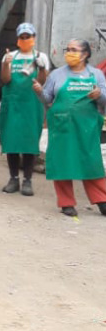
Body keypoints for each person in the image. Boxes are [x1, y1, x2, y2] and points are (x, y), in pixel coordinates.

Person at [34, 39, 106, 217]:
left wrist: (99, 95)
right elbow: (47, 99)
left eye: (74, 49)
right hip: (62, 125)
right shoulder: (57, 75)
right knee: (62, 161)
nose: (69, 53)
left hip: (87, 127)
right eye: (68, 49)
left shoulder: (96, 74)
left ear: (85, 54)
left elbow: (105, 100)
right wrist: (38, 91)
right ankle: (66, 203)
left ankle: (102, 200)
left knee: (91, 162)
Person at [0, 22, 49, 196]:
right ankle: (13, 179)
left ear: (34, 38)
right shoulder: (10, 56)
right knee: (11, 142)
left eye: (28, 36)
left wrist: (41, 67)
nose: (25, 39)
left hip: (31, 105)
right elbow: (5, 80)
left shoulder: (41, 56)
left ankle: (28, 181)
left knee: (29, 143)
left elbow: (42, 82)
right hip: (12, 104)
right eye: (22, 37)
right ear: (18, 39)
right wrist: (7, 65)